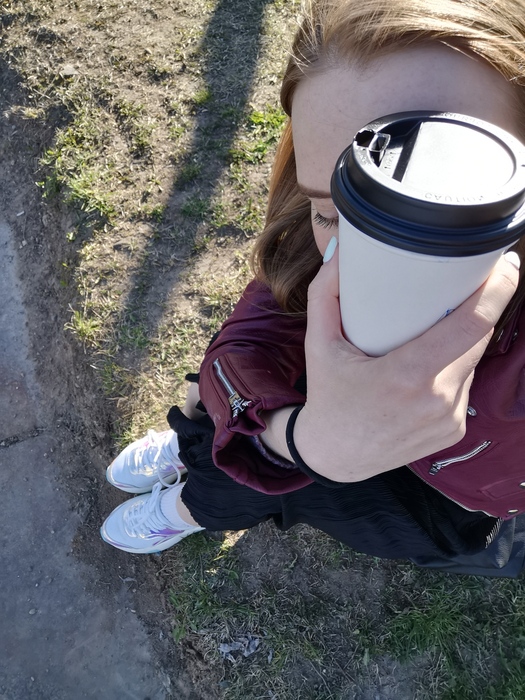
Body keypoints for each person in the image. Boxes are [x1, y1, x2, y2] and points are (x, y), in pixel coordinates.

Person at [100, 0, 525, 576]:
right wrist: (304, 441)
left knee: (283, 485)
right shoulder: (314, 249)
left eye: (440, 203)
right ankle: (195, 471)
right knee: (228, 426)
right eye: (328, 208)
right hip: (315, 432)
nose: (358, 257)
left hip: (447, 499)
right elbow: (247, 343)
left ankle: (189, 508)